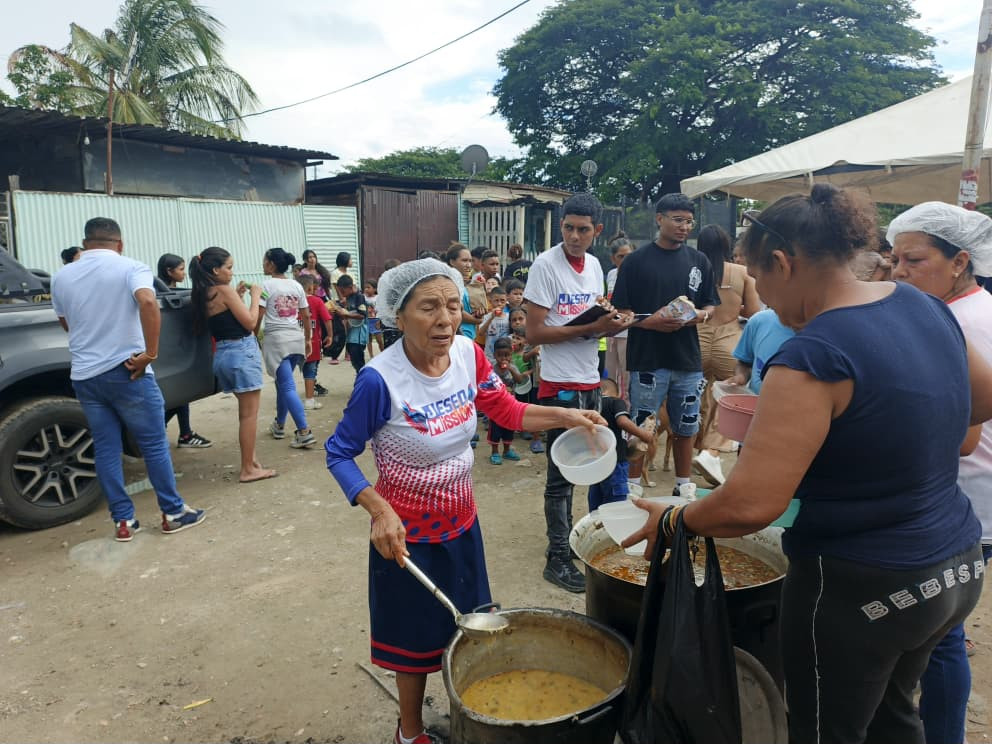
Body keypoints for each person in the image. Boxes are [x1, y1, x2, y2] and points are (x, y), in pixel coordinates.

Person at [622, 184, 992, 744]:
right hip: (954, 567)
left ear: (783, 262)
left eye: (761, 280)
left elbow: (752, 503)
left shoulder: (814, 353)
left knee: (826, 733)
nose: (762, 300)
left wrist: (673, 521)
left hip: (860, 587)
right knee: (895, 719)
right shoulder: (922, 304)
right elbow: (981, 400)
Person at [323, 258, 605, 744]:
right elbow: (339, 453)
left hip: (462, 526)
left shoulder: (469, 355)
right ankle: (409, 732)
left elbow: (508, 411)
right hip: (406, 540)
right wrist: (379, 509)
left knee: (468, 631)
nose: (445, 319)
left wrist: (566, 416)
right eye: (429, 307)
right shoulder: (379, 380)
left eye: (453, 306)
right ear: (398, 314)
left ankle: (472, 715)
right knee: (410, 644)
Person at [887, 201, 992, 744]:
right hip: (974, 498)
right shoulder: (981, 308)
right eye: (895, 259)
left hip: (961, 498)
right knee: (941, 631)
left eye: (914, 259)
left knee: (939, 638)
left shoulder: (955, 321)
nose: (899, 272)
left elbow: (963, 433)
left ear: (959, 262)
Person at [50, 217, 205, 541]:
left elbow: (67, 323)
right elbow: (148, 302)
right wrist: (150, 352)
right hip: (128, 371)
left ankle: (124, 522)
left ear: (86, 242)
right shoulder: (131, 267)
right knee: (153, 444)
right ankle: (173, 512)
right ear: (119, 244)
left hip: (85, 376)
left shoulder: (62, 276)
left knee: (107, 448)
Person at [524, 192, 629, 592]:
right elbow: (534, 332)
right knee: (561, 476)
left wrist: (611, 319)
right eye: (568, 227)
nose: (574, 235)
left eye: (583, 229)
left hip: (589, 377)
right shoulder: (545, 266)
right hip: (558, 384)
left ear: (597, 231)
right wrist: (590, 328)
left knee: (593, 464)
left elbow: (590, 314)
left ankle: (574, 541)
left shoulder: (596, 264)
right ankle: (557, 557)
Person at [611, 193, 719, 500]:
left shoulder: (699, 261)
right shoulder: (635, 261)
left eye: (689, 221)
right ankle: (631, 486)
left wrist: (701, 315)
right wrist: (650, 321)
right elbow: (619, 312)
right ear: (659, 219)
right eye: (677, 220)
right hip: (647, 358)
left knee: (687, 423)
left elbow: (711, 304)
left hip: (687, 359)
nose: (684, 227)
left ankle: (683, 483)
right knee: (641, 422)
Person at [189, 247, 275, 483]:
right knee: (249, 416)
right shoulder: (224, 290)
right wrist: (256, 296)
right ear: (215, 270)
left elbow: (227, 319)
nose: (231, 272)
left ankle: (252, 460)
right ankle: (248, 468)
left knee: (245, 413)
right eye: (228, 268)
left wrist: (238, 296)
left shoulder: (204, 292)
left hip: (224, 355)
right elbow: (249, 323)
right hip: (241, 354)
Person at [693, 224, 760, 484]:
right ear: (727, 247)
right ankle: (711, 451)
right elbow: (754, 312)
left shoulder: (694, 271)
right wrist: (734, 308)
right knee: (730, 399)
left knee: (696, 400)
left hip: (696, 339)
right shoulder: (742, 273)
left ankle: (695, 451)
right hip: (729, 341)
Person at [257, 247, 316, 449]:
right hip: (295, 339)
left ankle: (304, 431)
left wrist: (253, 334)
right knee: (283, 383)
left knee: (287, 386)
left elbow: (259, 314)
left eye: (265, 261)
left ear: (271, 264)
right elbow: (306, 315)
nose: (263, 264)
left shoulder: (266, 285)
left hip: (277, 341)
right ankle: (279, 425)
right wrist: (307, 339)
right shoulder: (296, 285)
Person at [157, 253, 212, 449]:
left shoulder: (173, 292)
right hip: (172, 350)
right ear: (169, 271)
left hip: (178, 348)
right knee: (176, 395)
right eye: (180, 270)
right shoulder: (163, 295)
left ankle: (185, 433)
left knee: (181, 394)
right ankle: (167, 431)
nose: (183, 274)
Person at [588, 377, 656, 512]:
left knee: (596, 502)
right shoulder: (615, 402)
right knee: (616, 504)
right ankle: (611, 529)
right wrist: (644, 435)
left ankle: (594, 526)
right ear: (616, 392)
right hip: (615, 463)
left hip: (596, 464)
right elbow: (622, 422)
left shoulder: (591, 407)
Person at [727, 308, 794, 395]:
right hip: (754, 404)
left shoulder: (815, 334)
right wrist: (741, 376)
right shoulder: (760, 320)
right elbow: (744, 363)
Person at [603, 233, 634, 402]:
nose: (625, 260)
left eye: (628, 256)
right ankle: (610, 410)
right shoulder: (611, 274)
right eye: (621, 256)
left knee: (626, 377)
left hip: (628, 334)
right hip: (610, 333)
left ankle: (627, 414)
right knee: (610, 375)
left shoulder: (639, 276)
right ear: (613, 259)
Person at [298, 274, 333, 411]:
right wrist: (329, 335)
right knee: (311, 370)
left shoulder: (292, 300)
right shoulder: (317, 301)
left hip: (293, 341)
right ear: (311, 288)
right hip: (312, 342)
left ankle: (286, 398)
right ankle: (309, 399)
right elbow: (327, 319)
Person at [488, 336, 525, 464]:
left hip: (510, 404)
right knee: (495, 429)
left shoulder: (512, 367)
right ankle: (494, 452)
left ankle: (507, 450)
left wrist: (510, 368)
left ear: (511, 354)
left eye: (507, 355)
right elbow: (486, 384)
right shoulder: (491, 368)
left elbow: (519, 380)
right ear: (494, 355)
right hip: (496, 405)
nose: (503, 359)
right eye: (500, 356)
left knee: (509, 428)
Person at [445, 244, 483, 340]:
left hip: (469, 335)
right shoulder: (450, 283)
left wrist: (478, 314)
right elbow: (454, 310)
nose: (469, 265)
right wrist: (476, 320)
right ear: (452, 262)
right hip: (459, 335)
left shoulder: (462, 283)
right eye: (464, 260)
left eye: (470, 261)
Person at [334, 274, 369, 374]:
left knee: (358, 360)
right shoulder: (348, 298)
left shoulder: (359, 297)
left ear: (350, 287)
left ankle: (363, 380)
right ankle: (360, 378)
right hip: (351, 333)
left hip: (359, 334)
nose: (342, 293)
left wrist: (347, 314)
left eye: (343, 291)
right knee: (354, 358)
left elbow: (362, 315)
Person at [326, 251, 353, 364]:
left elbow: (353, 287)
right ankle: (334, 354)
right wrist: (343, 299)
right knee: (340, 329)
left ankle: (348, 353)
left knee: (350, 328)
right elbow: (336, 287)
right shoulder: (335, 273)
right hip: (338, 302)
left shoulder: (351, 273)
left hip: (350, 302)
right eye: (350, 259)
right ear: (344, 260)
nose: (352, 261)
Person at [478, 285, 509, 360]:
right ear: (490, 301)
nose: (499, 303)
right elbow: (480, 333)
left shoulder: (509, 317)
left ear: (506, 301)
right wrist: (491, 318)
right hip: (489, 356)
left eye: (502, 300)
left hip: (506, 356)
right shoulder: (486, 316)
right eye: (496, 300)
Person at [364, 279, 384, 357]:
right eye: (365, 287)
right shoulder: (363, 297)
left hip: (376, 320)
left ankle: (383, 354)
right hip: (367, 320)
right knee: (369, 340)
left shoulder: (378, 298)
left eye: (368, 287)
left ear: (375, 289)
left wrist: (380, 320)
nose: (366, 289)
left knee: (379, 340)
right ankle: (371, 355)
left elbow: (381, 309)